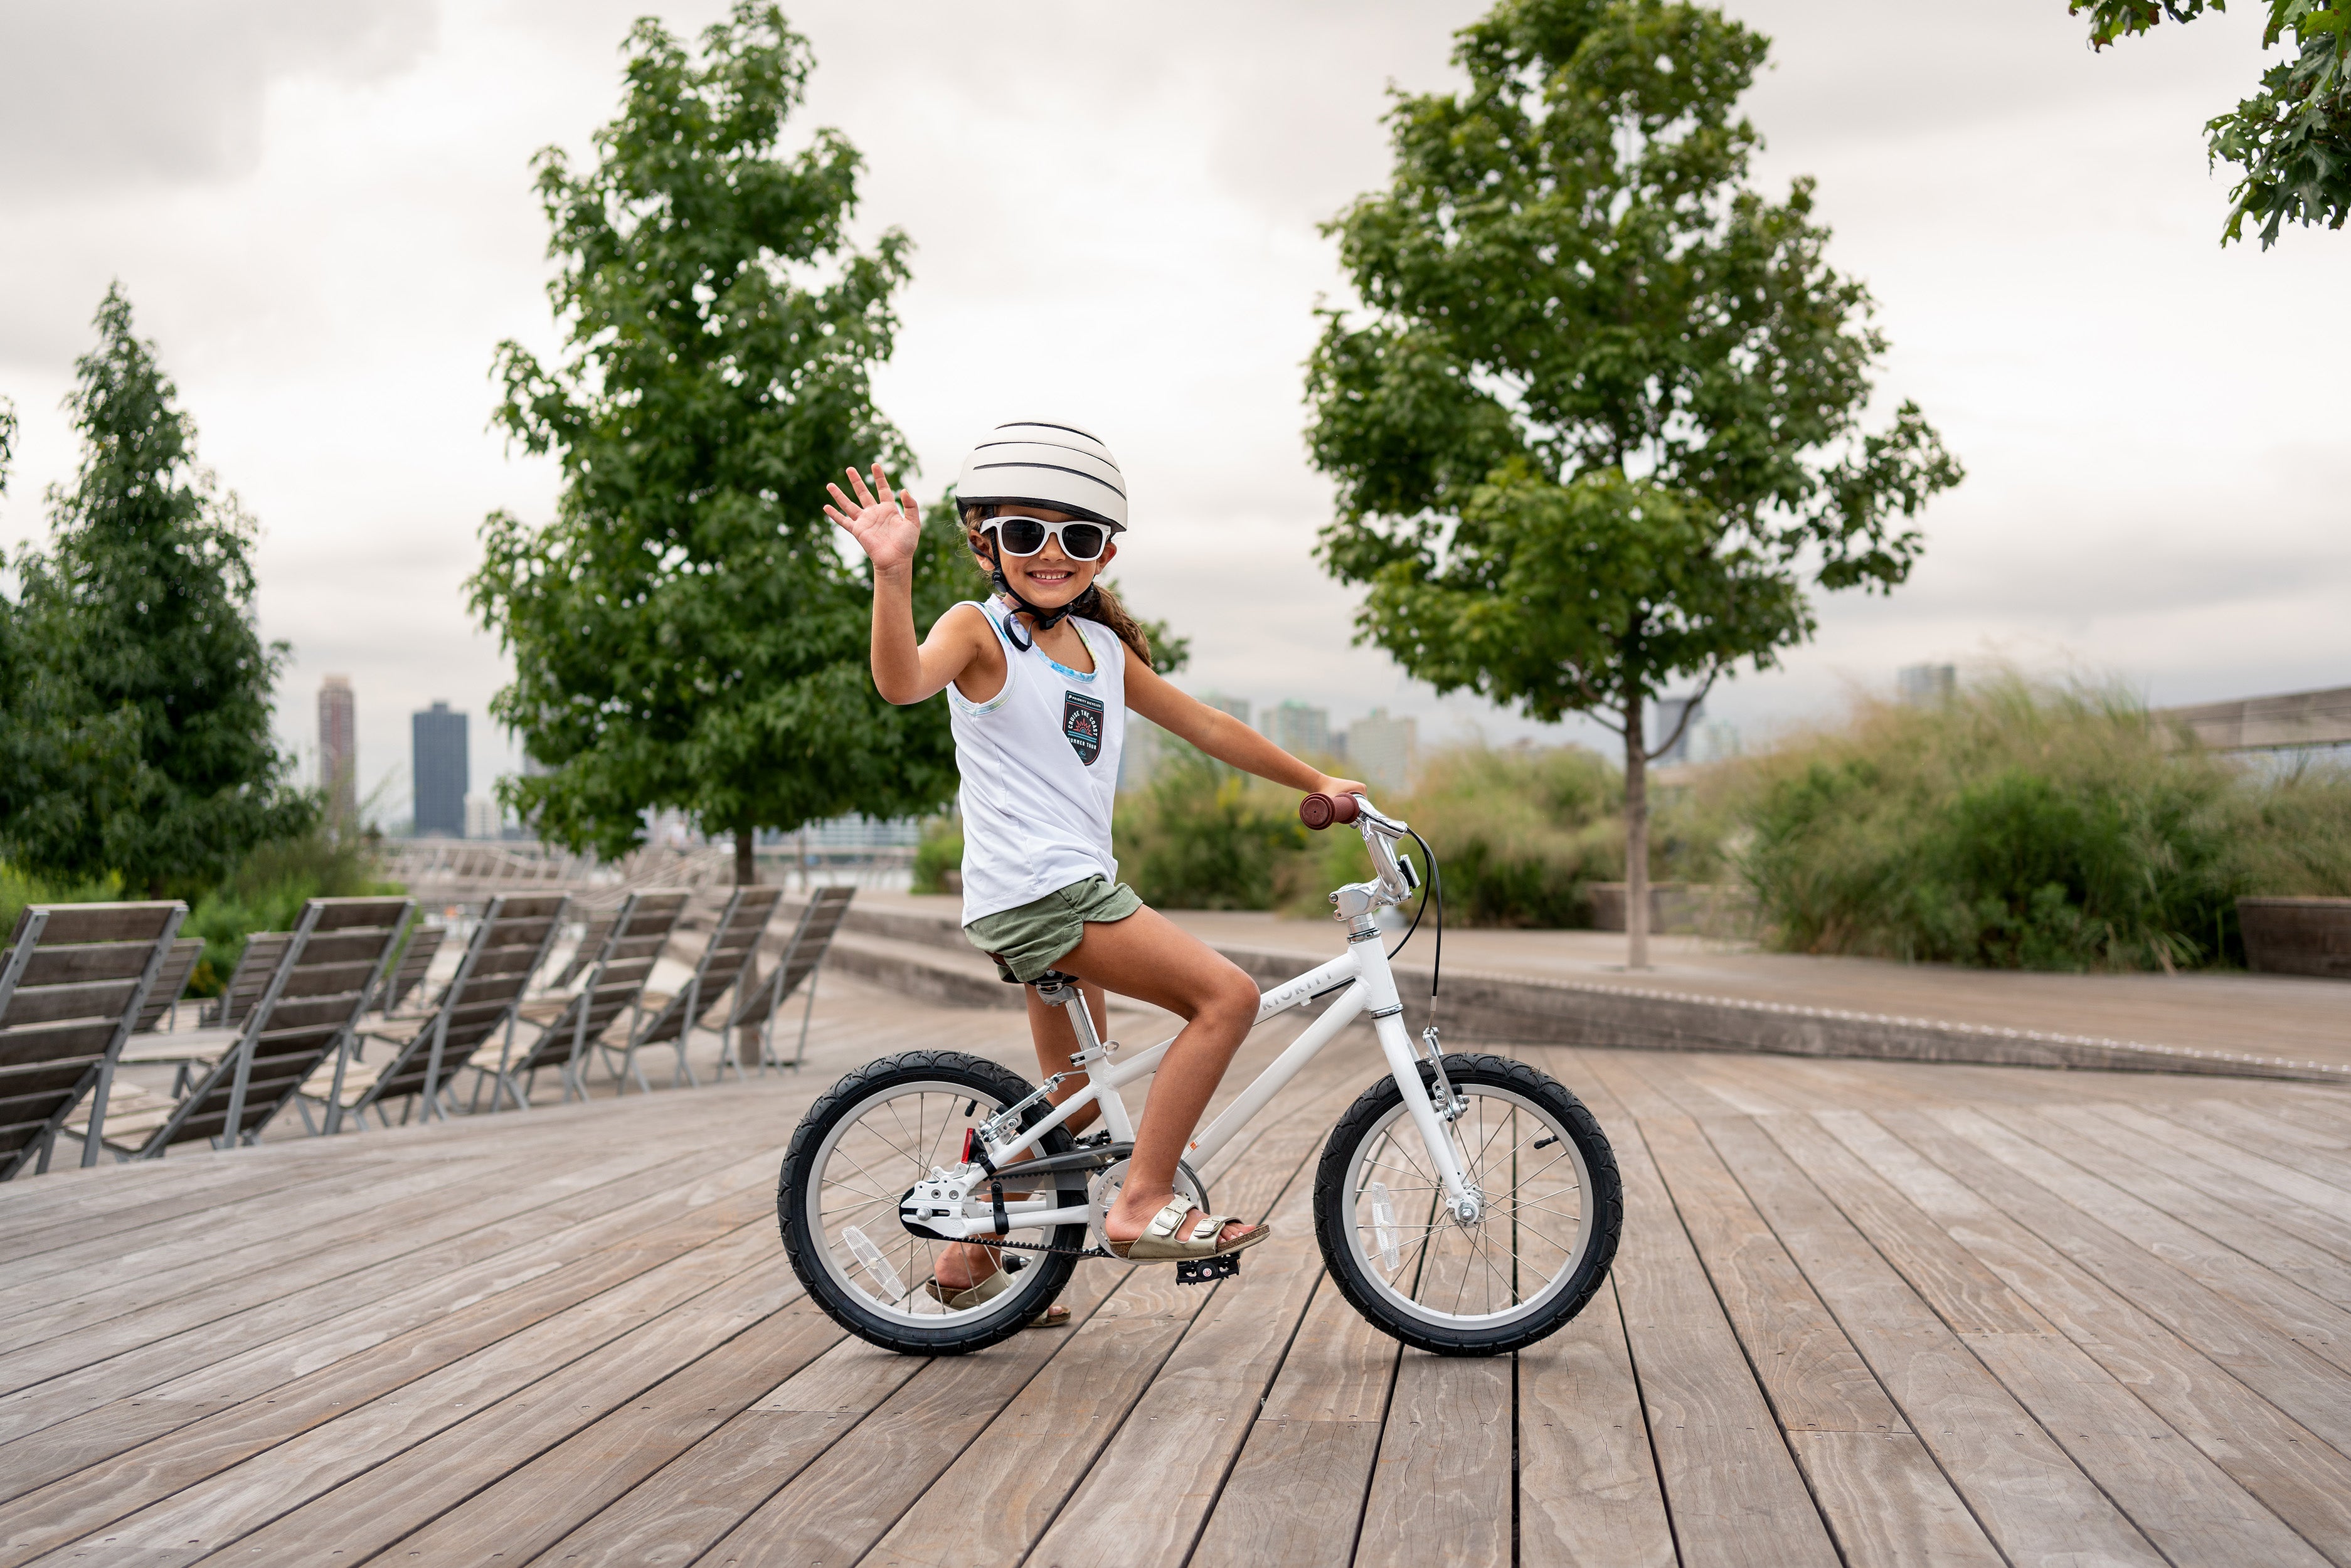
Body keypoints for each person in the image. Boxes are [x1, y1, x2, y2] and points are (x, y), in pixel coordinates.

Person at [825, 420, 1365, 1313]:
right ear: (984, 539)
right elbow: (900, 682)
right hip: (1045, 893)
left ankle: (972, 1258)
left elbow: (1208, 727)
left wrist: (1317, 780)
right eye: (1025, 533)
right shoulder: (978, 630)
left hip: (1053, 892)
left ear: (1103, 552)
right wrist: (891, 573)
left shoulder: (1105, 653)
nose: (1050, 554)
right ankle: (1143, 1202)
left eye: (1074, 538)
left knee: (1073, 1103)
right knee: (1225, 999)